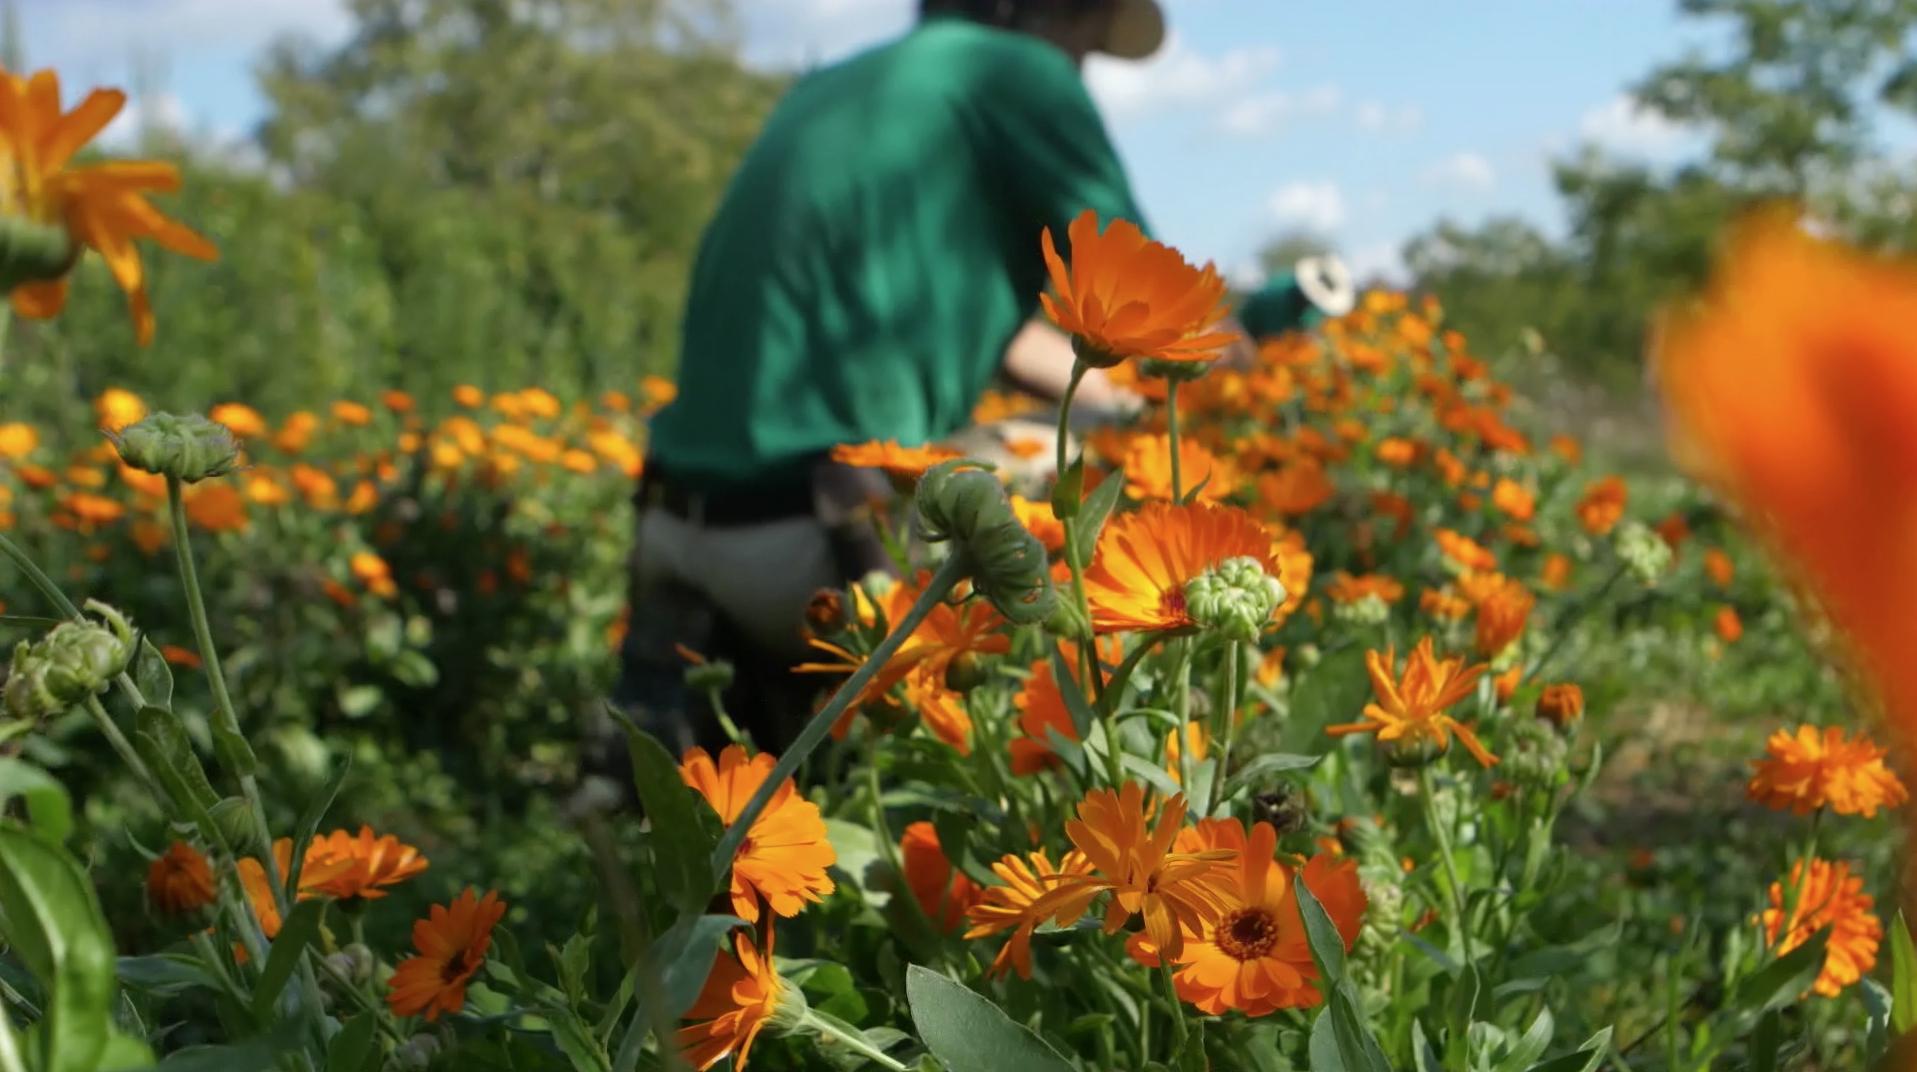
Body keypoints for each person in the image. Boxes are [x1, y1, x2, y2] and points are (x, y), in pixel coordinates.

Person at [615, 0, 1177, 756]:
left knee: (1107, 413)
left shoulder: (836, 86)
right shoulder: (1020, 72)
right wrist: (1231, 368)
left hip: (673, 522)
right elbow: (1154, 300)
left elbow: (1011, 344)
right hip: (827, 541)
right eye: (1088, 34)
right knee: (1130, 469)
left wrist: (1111, 396)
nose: (1083, 64)